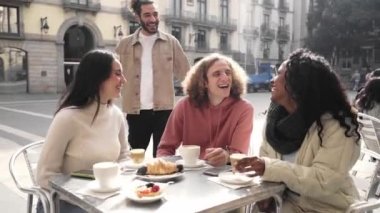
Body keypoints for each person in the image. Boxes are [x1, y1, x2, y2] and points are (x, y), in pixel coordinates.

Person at [235, 48, 361, 212]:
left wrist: (270, 168)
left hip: (327, 208)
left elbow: (323, 181)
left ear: (297, 84)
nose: (273, 80)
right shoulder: (275, 120)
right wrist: (265, 196)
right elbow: (266, 161)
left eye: (279, 75)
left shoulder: (338, 125)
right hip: (285, 203)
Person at [36, 49, 129, 213]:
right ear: (97, 78)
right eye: (117, 74)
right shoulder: (67, 118)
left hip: (105, 197)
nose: (124, 80)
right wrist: (87, 195)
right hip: (65, 201)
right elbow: (45, 175)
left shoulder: (116, 115)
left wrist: (113, 178)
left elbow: (124, 156)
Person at [115, 0, 190, 157]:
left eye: (155, 14)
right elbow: (114, 76)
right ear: (138, 17)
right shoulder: (125, 45)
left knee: (163, 158)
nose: (153, 19)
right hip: (136, 112)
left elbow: (187, 75)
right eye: (147, 15)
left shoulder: (171, 43)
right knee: (136, 158)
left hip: (164, 112)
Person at [157, 53, 254, 167]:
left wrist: (227, 156)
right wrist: (166, 169)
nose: (225, 77)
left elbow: (239, 154)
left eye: (228, 72)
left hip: (225, 176)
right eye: (217, 74)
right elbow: (165, 148)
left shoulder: (244, 109)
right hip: (190, 173)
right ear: (204, 82)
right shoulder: (184, 106)